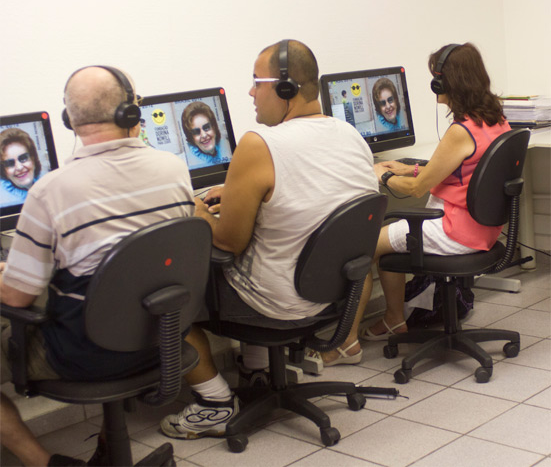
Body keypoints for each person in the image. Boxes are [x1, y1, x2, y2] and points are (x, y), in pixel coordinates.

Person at [159, 39, 378, 440]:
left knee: (166, 294)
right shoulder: (351, 136)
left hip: (275, 303)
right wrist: (244, 192)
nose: (250, 93)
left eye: (256, 82)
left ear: (286, 88)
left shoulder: (259, 145)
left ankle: (214, 402)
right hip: (332, 296)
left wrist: (199, 211)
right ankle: (257, 370)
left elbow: (228, 243)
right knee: (265, 250)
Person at [0, 66, 195, 467]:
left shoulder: (50, 191)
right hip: (163, 340)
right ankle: (109, 446)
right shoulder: (174, 169)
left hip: (86, 358)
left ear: (69, 120)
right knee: (112, 309)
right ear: (130, 112)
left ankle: (42, 462)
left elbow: (16, 295)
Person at [318, 42, 512, 365]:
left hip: (455, 232)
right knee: (389, 241)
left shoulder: (460, 131)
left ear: (446, 82)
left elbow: (417, 189)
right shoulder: (495, 120)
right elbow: (456, 167)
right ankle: (394, 319)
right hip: (483, 231)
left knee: (362, 246)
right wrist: (408, 167)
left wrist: (384, 176)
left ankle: (345, 343)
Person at [0, 128, 42, 203]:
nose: (19, 167)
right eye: (10, 163)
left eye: (23, 158)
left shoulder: (49, 183)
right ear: (3, 170)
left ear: (33, 159)